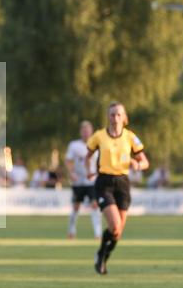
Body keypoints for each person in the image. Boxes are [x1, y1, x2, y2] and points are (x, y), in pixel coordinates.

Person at [85, 102, 149, 275]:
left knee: (118, 232)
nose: (115, 118)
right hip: (104, 182)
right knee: (115, 224)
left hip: (123, 183)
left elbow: (145, 161)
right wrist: (89, 171)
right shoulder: (99, 136)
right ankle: (101, 253)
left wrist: (137, 164)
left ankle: (103, 257)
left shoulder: (130, 137)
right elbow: (88, 156)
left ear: (124, 118)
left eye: (118, 115)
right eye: (112, 114)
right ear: (108, 117)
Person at [64, 121, 103, 239]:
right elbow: (68, 160)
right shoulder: (74, 145)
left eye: (88, 130)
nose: (86, 133)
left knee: (95, 205)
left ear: (91, 131)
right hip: (78, 181)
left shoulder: (97, 144)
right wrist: (71, 173)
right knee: (76, 206)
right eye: (84, 131)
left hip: (92, 181)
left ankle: (98, 233)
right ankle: (71, 231)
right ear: (81, 132)